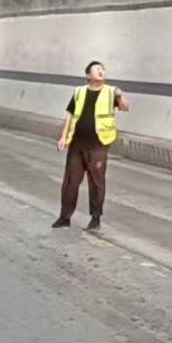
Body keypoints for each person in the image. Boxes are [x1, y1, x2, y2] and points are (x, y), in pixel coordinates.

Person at [54, 61, 131, 231]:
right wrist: (64, 137)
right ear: (88, 75)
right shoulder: (79, 92)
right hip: (77, 144)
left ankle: (95, 218)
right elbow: (70, 114)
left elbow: (126, 107)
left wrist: (120, 94)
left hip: (98, 144)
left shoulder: (111, 92)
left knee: (96, 182)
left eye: (103, 69)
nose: (102, 71)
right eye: (97, 69)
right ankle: (64, 217)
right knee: (70, 182)